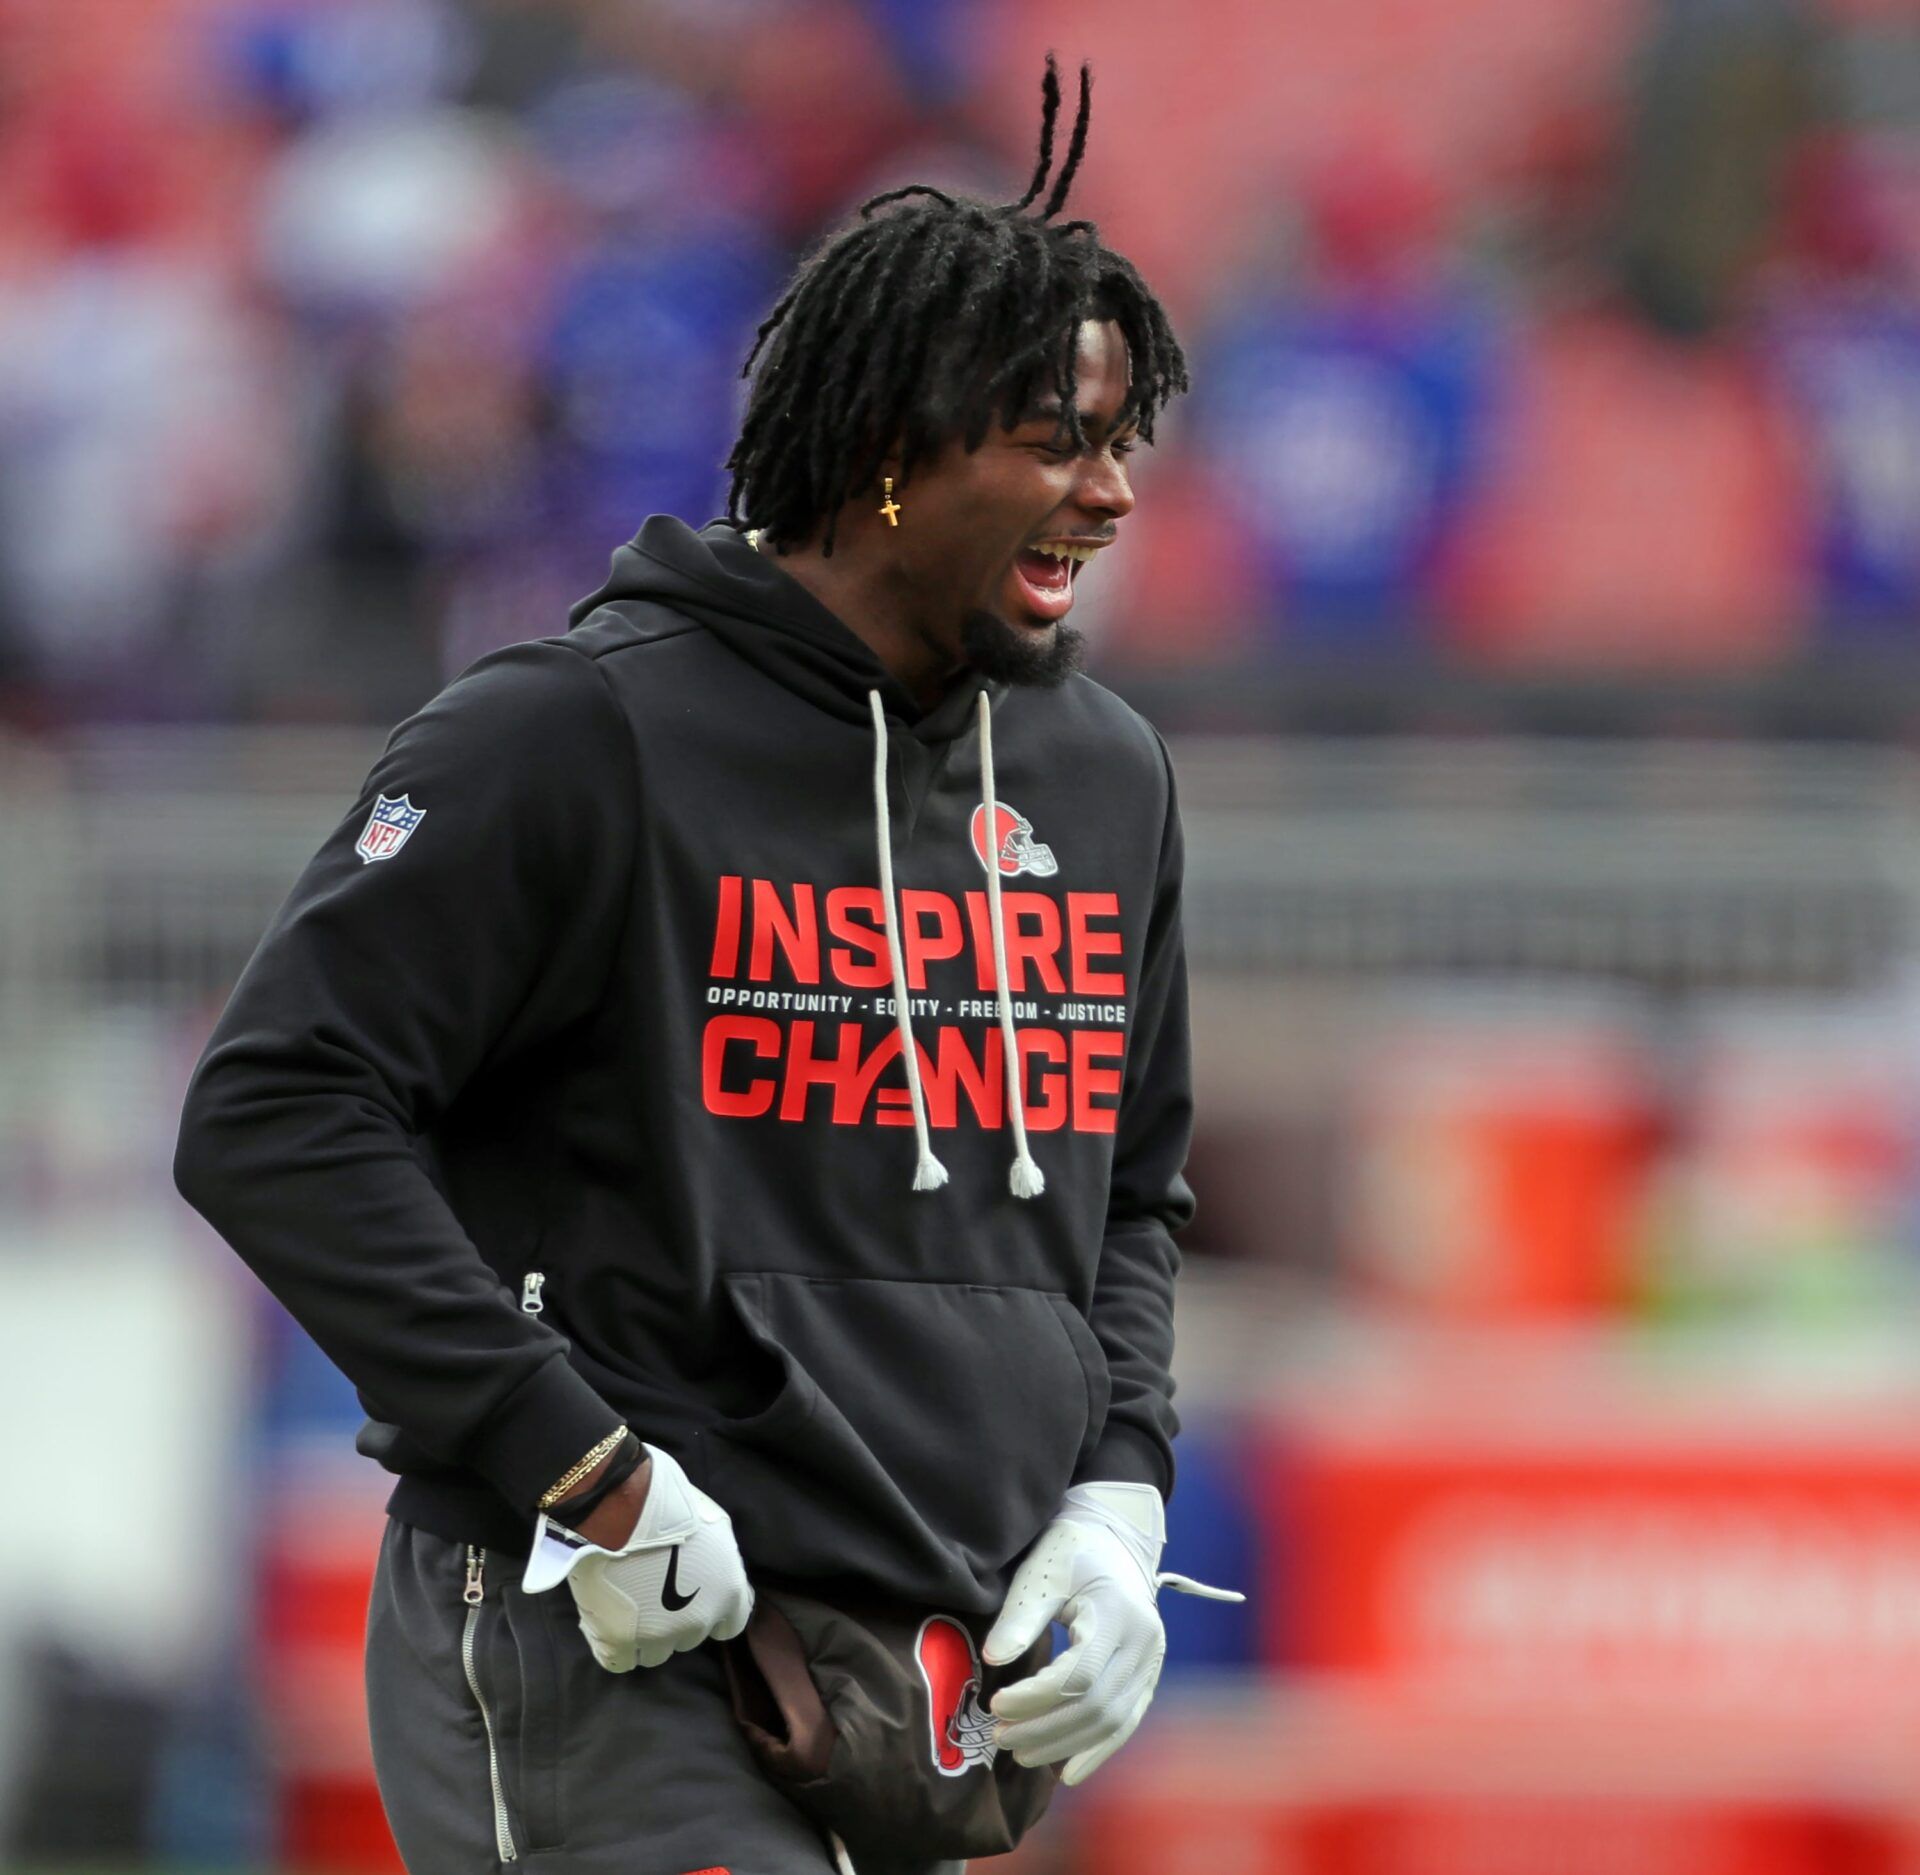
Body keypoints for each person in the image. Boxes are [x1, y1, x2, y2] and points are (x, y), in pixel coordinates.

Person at [174, 56, 1222, 1875]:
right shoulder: (570, 733)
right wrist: (581, 1469)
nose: (1114, 492)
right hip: (613, 1636)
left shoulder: (1107, 775)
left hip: (934, 1672)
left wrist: (1121, 1495)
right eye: (1057, 438)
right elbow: (276, 1110)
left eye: (1125, 440)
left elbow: (1130, 1194)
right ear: (892, 454)